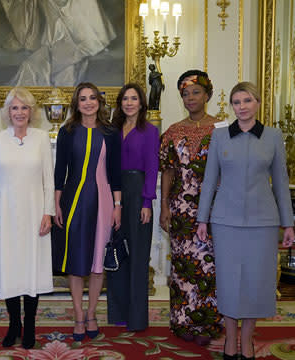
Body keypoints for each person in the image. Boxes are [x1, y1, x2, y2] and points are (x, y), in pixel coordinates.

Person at [196, 81, 295, 360]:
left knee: (256, 283)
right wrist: (202, 219)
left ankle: (248, 341)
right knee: (228, 282)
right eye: (236, 102)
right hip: (225, 222)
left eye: (247, 101)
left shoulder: (274, 137)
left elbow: (281, 184)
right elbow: (209, 180)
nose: (241, 107)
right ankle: (229, 340)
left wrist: (288, 223)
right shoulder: (219, 137)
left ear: (258, 103)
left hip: (263, 223)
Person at [0, 87, 55, 349]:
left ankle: (31, 325)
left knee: (31, 268)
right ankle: (14, 324)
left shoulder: (41, 138)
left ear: (31, 112)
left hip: (35, 213)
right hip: (4, 215)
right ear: (8, 112)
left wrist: (48, 212)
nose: (20, 112)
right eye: (15, 108)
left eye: (24, 107)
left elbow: (49, 180)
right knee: (10, 268)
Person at [51, 82, 122, 341]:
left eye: (93, 98)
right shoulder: (67, 131)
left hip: (103, 200)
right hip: (74, 200)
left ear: (99, 102)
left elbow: (115, 172)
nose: (89, 102)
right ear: (76, 104)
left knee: (96, 259)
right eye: (83, 99)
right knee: (76, 259)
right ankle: (78, 314)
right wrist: (56, 204)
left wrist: (117, 206)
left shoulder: (111, 133)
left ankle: (92, 313)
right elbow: (60, 170)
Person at [159, 70, 223, 345]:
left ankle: (210, 324)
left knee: (210, 267)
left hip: (215, 209)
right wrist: (164, 206)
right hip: (181, 211)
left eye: (196, 92)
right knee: (183, 267)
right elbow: (168, 172)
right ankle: (183, 321)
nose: (190, 98)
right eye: (185, 94)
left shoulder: (222, 128)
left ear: (207, 94)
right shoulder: (173, 131)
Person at [107, 83, 159, 331]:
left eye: (134, 98)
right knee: (117, 252)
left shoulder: (149, 130)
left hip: (139, 193)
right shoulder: (112, 130)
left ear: (141, 103)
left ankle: (137, 319)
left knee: (138, 256)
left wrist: (147, 201)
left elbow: (152, 167)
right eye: (125, 99)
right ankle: (118, 314)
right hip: (114, 193)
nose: (129, 103)